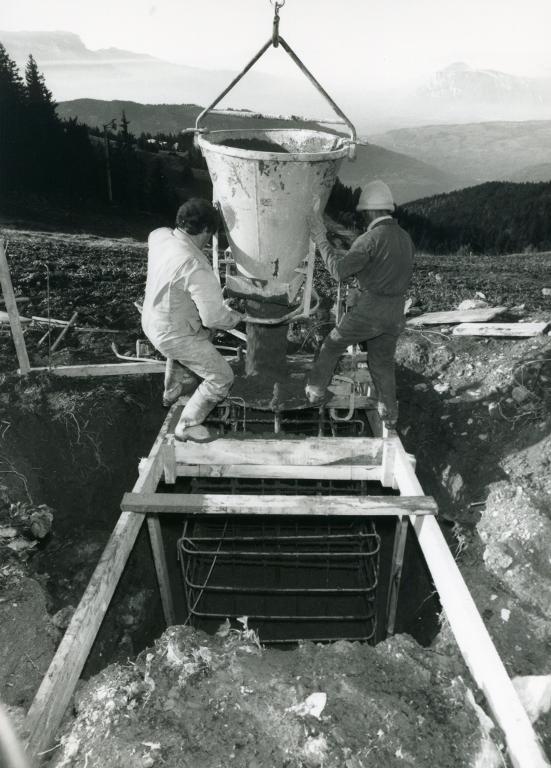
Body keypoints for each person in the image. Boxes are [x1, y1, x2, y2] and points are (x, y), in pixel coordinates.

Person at [305, 180, 414, 432]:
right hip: (396, 311)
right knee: (382, 362)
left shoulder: (369, 239)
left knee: (332, 344)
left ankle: (315, 392)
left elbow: (338, 271)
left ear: (370, 212)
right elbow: (387, 270)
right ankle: (389, 414)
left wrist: (321, 238)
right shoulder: (405, 237)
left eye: (364, 213)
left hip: (371, 310)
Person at [142, 198, 243, 442]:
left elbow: (154, 233)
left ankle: (172, 391)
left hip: (151, 321)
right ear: (207, 231)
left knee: (201, 336)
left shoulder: (161, 237)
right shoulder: (196, 265)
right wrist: (236, 317)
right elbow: (213, 318)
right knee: (222, 377)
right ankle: (187, 426)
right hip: (173, 334)